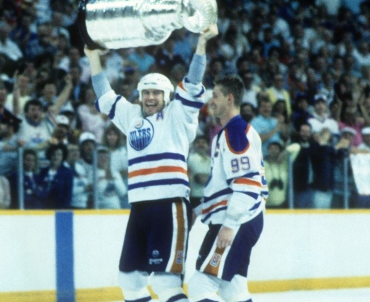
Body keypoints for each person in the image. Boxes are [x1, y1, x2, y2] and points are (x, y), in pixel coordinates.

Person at [86, 23, 218, 302]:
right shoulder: (131, 117)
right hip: (140, 206)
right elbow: (105, 95)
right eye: (146, 92)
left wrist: (203, 42)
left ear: (167, 96)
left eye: (156, 92)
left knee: (165, 284)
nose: (149, 97)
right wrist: (92, 56)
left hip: (169, 205)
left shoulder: (179, 115)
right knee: (130, 281)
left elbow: (193, 81)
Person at [187, 74, 267, 302]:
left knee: (200, 286)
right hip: (245, 217)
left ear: (229, 99)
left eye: (215, 96)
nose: (211, 101)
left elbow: (246, 183)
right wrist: (200, 210)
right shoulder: (239, 131)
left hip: (236, 220)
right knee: (234, 289)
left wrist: (230, 225)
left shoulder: (234, 133)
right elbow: (225, 186)